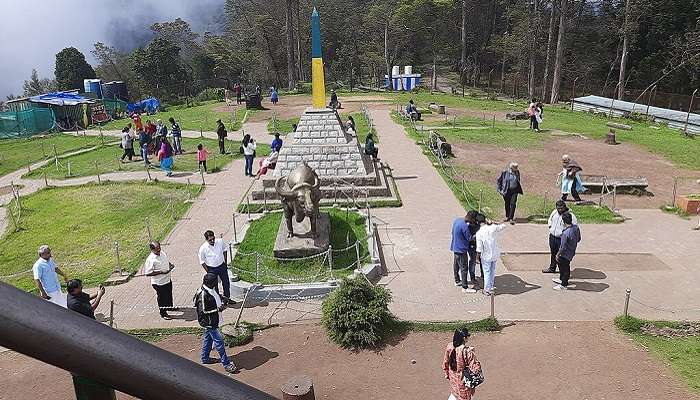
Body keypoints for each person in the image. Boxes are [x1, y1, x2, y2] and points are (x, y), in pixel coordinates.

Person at [194, 273, 238, 373]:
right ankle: (226, 364)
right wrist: (219, 309)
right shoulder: (203, 294)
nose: (216, 283)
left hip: (214, 320)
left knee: (208, 339)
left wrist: (221, 298)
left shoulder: (209, 289)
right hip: (209, 322)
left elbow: (215, 295)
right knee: (219, 342)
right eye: (215, 282)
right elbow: (203, 311)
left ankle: (205, 358)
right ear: (211, 283)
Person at [442, 328, 482, 400]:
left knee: (454, 395)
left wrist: (447, 375)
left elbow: (445, 363)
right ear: (464, 338)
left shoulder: (449, 346)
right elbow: (475, 369)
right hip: (464, 384)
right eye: (467, 336)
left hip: (453, 380)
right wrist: (473, 354)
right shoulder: (467, 352)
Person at [543, 201, 578, 274]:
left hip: (562, 238)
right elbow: (550, 219)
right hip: (553, 237)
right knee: (553, 253)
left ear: (564, 207)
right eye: (558, 208)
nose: (559, 210)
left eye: (561, 208)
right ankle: (552, 268)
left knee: (561, 256)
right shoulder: (554, 212)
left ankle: (563, 273)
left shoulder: (570, 215)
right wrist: (550, 227)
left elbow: (574, 227)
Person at [144, 241, 175, 320]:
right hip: (159, 283)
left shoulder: (162, 253)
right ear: (152, 250)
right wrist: (161, 272)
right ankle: (163, 313)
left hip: (167, 279)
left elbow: (165, 260)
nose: (159, 251)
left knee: (168, 294)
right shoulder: (150, 260)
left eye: (159, 249)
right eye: (157, 250)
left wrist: (170, 265)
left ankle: (169, 307)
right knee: (162, 298)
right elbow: (148, 273)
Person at [475, 219, 506, 296]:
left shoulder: (479, 233)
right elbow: (503, 226)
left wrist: (477, 258)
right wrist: (494, 222)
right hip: (495, 254)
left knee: (487, 272)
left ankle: (487, 289)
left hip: (486, 255)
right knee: (492, 270)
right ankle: (491, 286)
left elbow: (479, 248)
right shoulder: (493, 227)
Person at [198, 230, 231, 300]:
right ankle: (217, 300)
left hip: (222, 266)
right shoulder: (202, 249)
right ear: (206, 240)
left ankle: (227, 298)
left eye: (213, 238)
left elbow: (225, 250)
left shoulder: (220, 242)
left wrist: (225, 262)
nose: (212, 241)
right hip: (212, 269)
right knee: (214, 286)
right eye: (210, 240)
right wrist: (208, 271)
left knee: (226, 283)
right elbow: (202, 261)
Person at [553, 212, 581, 290]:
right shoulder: (576, 228)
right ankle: (561, 279)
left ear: (563, 221)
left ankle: (564, 284)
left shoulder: (565, 233)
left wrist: (558, 255)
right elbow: (579, 239)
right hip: (571, 251)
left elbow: (562, 247)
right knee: (564, 266)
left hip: (564, 254)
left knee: (565, 268)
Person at [451, 213, 477, 293]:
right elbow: (469, 238)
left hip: (455, 246)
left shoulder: (457, 220)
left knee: (456, 265)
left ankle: (457, 280)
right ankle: (465, 287)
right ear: (472, 219)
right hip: (461, 250)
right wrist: (477, 235)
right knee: (464, 268)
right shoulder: (465, 226)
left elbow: (452, 232)